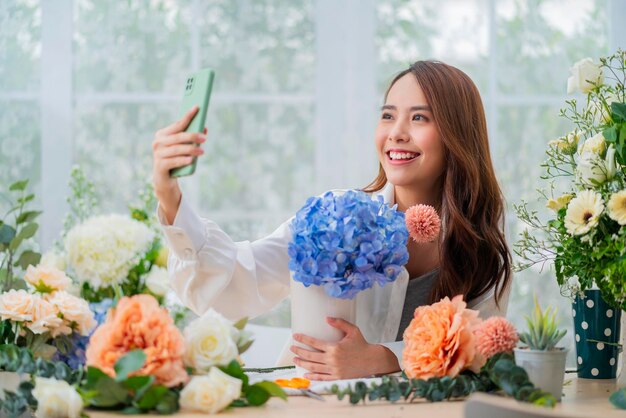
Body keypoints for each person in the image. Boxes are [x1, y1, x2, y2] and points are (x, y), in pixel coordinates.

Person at [151, 60, 512, 381]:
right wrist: (170, 198)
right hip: (314, 401)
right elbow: (240, 278)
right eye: (388, 115)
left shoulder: (481, 249)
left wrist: (384, 358)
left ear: (457, 135)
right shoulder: (336, 220)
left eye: (419, 117)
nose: (396, 132)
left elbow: (479, 352)